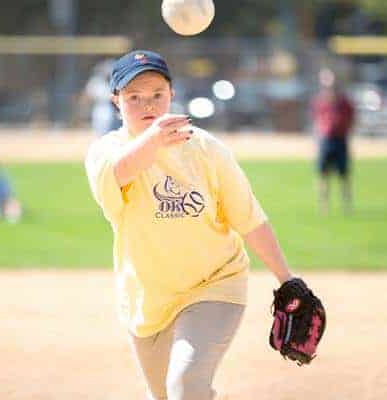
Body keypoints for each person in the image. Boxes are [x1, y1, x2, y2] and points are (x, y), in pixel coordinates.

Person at [84, 50, 298, 400]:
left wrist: (287, 280)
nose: (147, 105)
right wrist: (153, 140)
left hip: (213, 283)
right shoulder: (105, 152)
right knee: (165, 396)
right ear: (115, 102)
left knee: (185, 385)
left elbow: (249, 217)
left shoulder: (205, 149)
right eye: (133, 97)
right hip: (147, 298)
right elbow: (120, 172)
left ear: (171, 94)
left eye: (157, 94)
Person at [310, 67, 356, 214]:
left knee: (344, 175)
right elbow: (316, 121)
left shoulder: (345, 102)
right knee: (323, 175)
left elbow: (352, 120)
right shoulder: (319, 101)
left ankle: (346, 206)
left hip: (340, 140)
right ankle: (324, 206)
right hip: (325, 140)